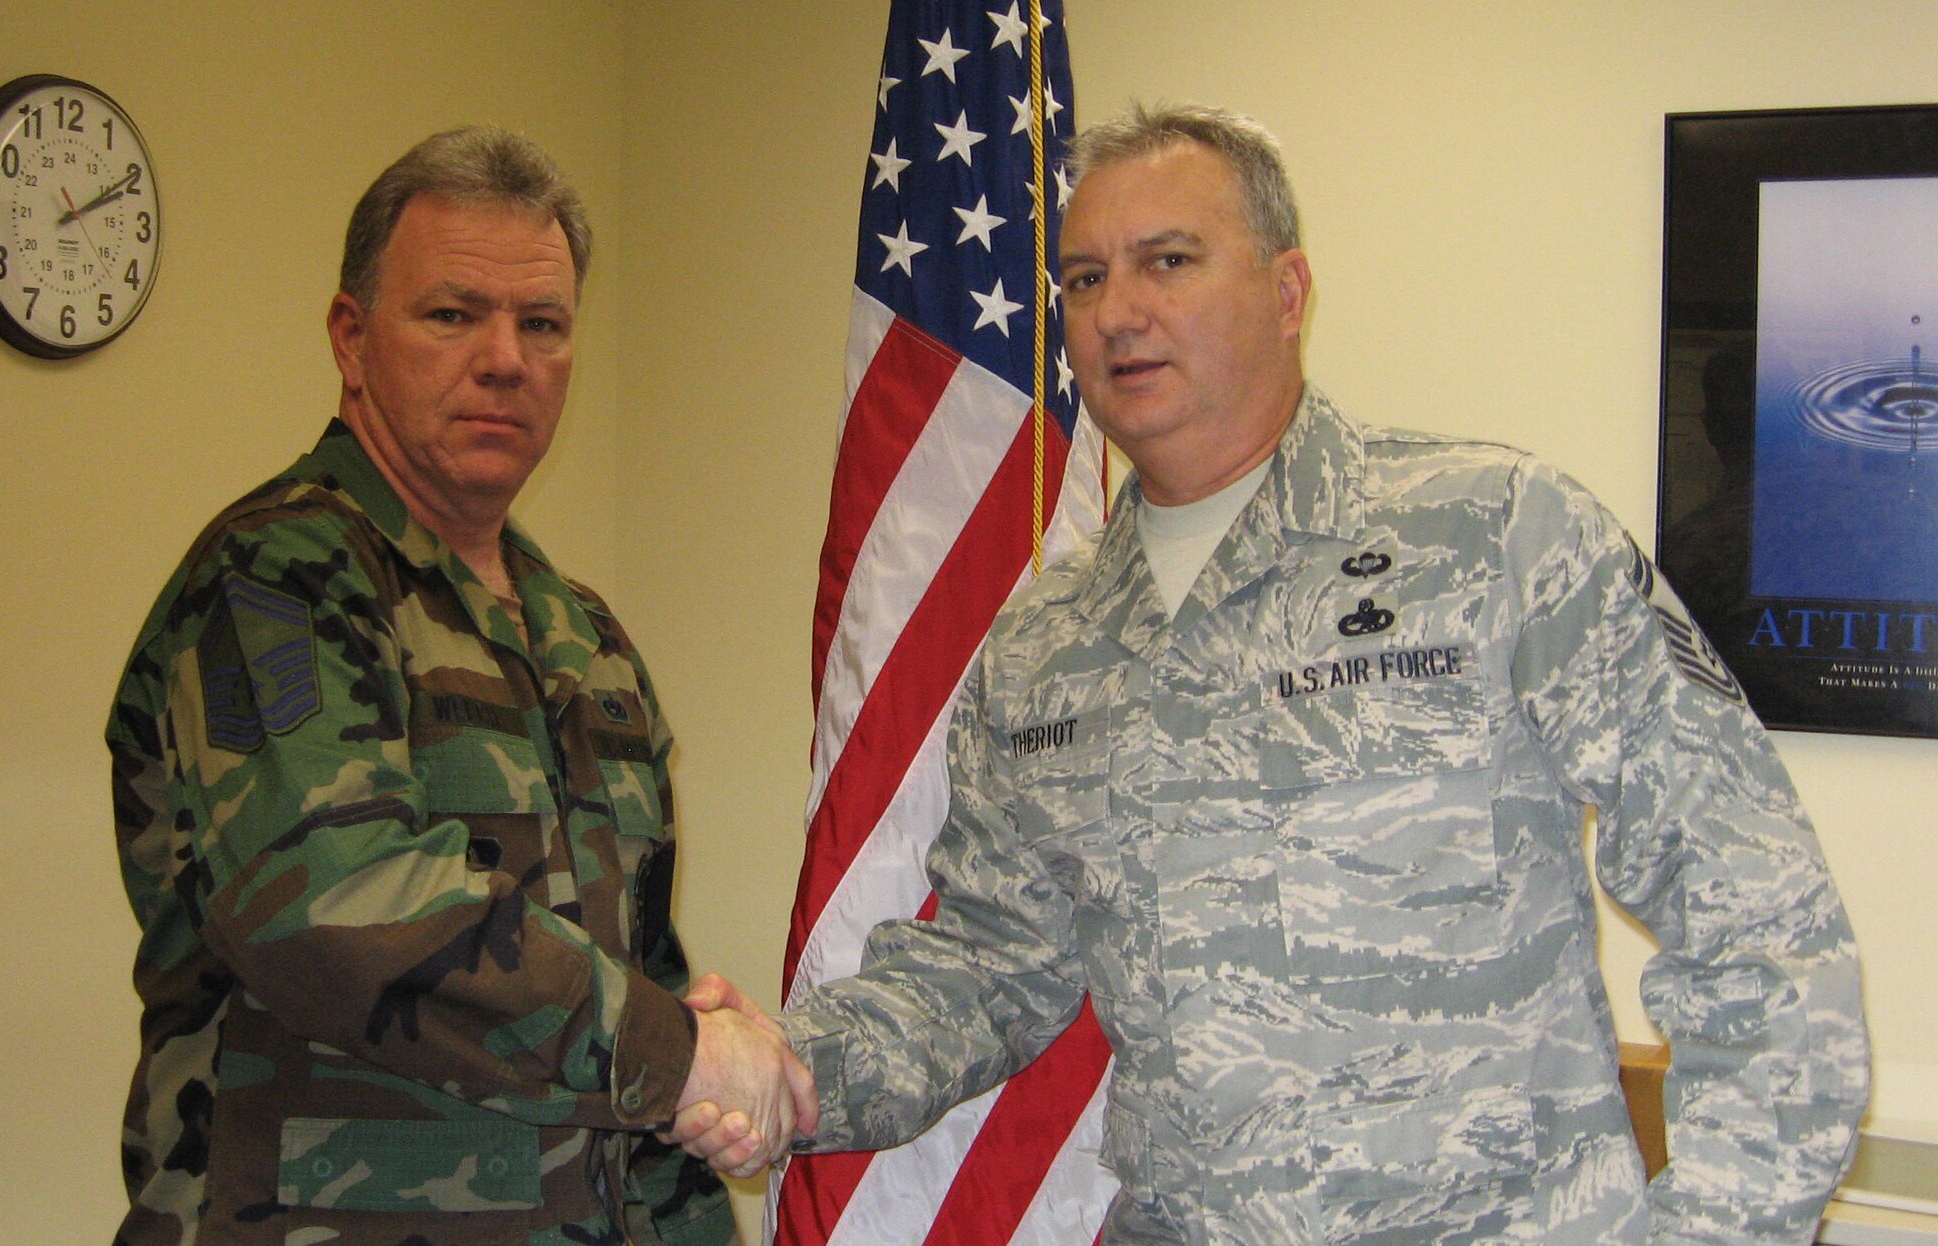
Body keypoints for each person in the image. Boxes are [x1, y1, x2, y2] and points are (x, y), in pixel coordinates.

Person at [673, 104, 1869, 1244]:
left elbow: (1758, 918)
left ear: (1287, 291)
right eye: (1082, 279)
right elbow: (989, 966)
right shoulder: (1042, 647)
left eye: (1169, 261)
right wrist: (791, 1067)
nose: (1116, 312)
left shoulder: (1495, 534)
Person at [106, 126, 807, 1246]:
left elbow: (630, 967)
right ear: (351, 336)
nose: (504, 359)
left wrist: (701, 1084)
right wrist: (678, 1052)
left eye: (542, 324)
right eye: (452, 314)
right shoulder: (276, 580)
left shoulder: (586, 635)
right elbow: (340, 904)